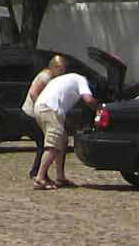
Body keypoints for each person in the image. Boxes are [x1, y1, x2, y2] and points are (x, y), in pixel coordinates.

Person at [32, 63, 99, 191]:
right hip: (50, 108)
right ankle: (40, 178)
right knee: (54, 144)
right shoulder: (81, 80)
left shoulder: (64, 79)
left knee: (62, 140)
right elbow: (88, 100)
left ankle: (60, 177)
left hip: (39, 107)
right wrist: (98, 108)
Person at [21, 55, 65, 181]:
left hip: (35, 114)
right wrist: (41, 107)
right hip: (30, 114)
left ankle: (39, 173)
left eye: (64, 69)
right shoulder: (46, 76)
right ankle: (38, 173)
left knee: (44, 144)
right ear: (54, 67)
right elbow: (33, 92)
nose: (62, 72)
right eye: (60, 69)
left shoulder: (52, 78)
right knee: (44, 144)